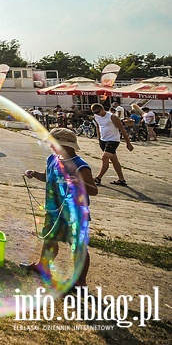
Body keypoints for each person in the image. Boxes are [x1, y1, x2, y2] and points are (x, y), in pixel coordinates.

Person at [22, 128, 98, 294]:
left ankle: (80, 281)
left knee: (77, 246)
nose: (50, 146)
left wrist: (79, 183)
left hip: (75, 213)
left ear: (66, 146)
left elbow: (94, 190)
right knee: (50, 239)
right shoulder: (52, 159)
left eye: (53, 143)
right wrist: (35, 174)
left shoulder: (80, 165)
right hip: (54, 209)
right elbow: (48, 176)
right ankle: (43, 266)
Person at [91, 103, 133, 186]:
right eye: (95, 113)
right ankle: (121, 179)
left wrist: (128, 143)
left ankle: (98, 178)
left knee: (105, 158)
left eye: (98, 112)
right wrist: (99, 138)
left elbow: (122, 129)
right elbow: (98, 126)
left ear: (103, 109)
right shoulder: (96, 117)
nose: (97, 114)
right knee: (114, 160)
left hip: (113, 140)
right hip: (103, 140)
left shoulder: (112, 117)